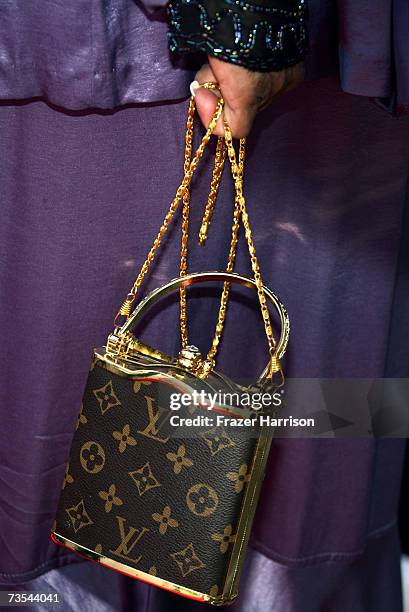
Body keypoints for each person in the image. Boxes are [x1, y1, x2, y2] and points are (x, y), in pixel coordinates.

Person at [0, 1, 408, 610]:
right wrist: (244, 27)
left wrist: (248, 29)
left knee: (332, 425)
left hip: (288, 47)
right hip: (180, 44)